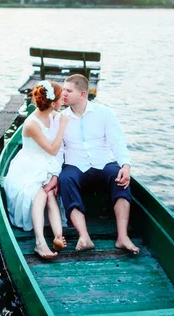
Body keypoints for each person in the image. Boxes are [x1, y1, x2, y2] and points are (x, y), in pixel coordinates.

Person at [57, 74, 140, 254]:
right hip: (75, 165)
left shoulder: (104, 113)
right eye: (63, 89)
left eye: (68, 91)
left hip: (103, 163)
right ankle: (84, 236)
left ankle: (122, 237)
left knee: (119, 176)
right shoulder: (61, 118)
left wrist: (126, 165)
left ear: (82, 94)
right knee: (65, 179)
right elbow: (58, 151)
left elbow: (117, 141)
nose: (63, 93)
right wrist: (55, 175)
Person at [3, 80, 69, 259]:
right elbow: (53, 149)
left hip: (47, 163)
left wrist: (55, 174)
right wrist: (62, 127)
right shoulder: (32, 123)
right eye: (61, 96)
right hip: (29, 166)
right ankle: (40, 243)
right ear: (53, 102)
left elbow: (58, 152)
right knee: (40, 193)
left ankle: (58, 236)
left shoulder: (54, 115)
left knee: (50, 194)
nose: (64, 98)